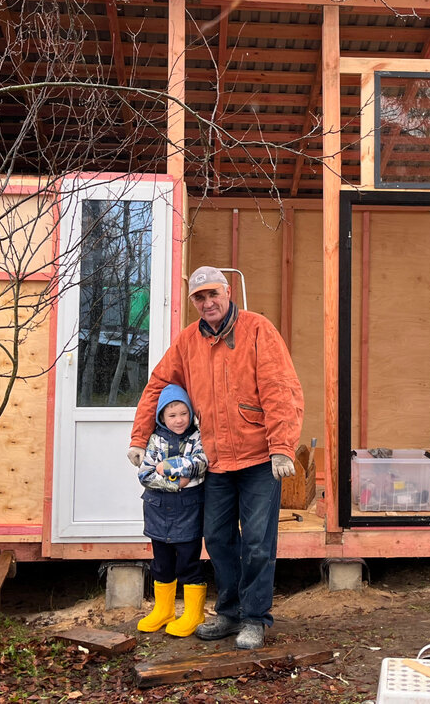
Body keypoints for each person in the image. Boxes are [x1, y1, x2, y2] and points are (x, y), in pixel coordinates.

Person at [127, 265, 304, 650]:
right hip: (216, 460)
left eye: (213, 294)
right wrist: (141, 437)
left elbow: (280, 389)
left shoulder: (258, 329)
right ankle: (229, 612)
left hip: (260, 458)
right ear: (194, 302)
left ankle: (255, 618)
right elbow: (158, 383)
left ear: (227, 293)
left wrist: (281, 447)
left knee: (257, 540)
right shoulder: (188, 341)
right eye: (199, 297)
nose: (207, 302)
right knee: (217, 538)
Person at [134, 383, 209, 637]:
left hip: (187, 511)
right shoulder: (155, 439)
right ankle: (164, 609)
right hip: (158, 512)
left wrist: (168, 465)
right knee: (161, 563)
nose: (179, 420)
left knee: (189, 562)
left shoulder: (197, 438)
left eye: (183, 414)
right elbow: (145, 473)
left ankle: (193, 613)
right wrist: (177, 481)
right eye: (172, 415)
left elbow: (200, 463)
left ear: (191, 413)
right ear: (162, 417)